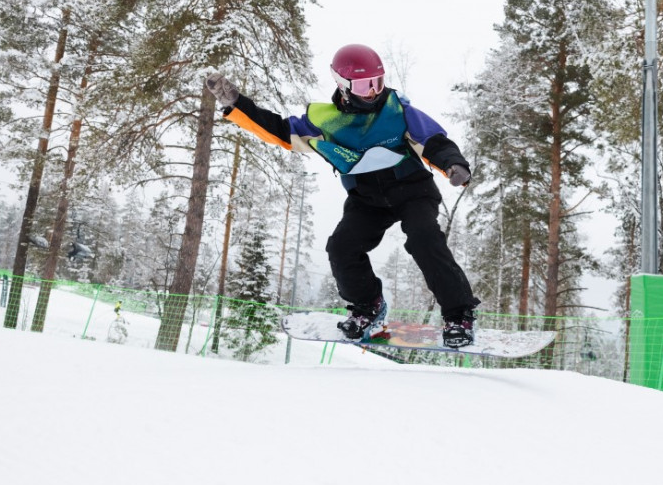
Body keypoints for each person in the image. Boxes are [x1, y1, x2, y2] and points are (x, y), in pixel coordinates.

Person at [205, 44, 480, 347]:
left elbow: (434, 141)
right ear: (343, 86)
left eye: (378, 82)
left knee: (424, 238)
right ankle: (368, 306)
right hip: (367, 198)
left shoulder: (397, 111)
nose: (374, 92)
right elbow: (281, 131)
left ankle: (459, 314)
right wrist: (237, 105)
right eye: (364, 85)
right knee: (341, 247)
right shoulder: (326, 121)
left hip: (412, 190)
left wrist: (453, 164)